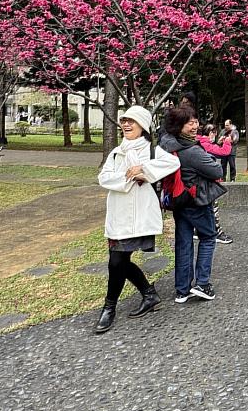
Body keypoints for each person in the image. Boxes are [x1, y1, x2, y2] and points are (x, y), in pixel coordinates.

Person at [95, 106, 181, 333]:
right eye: (124, 120)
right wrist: (128, 178)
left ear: (142, 125)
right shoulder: (117, 152)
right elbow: (103, 177)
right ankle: (149, 294)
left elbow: (173, 164)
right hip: (119, 214)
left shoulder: (152, 150)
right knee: (119, 260)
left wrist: (143, 170)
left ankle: (109, 307)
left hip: (141, 215)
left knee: (117, 261)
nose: (126, 124)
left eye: (131, 121)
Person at [159, 106, 226, 303]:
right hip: (195, 201)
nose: (195, 126)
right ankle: (203, 283)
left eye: (196, 121)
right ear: (178, 126)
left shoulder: (167, 145)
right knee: (208, 236)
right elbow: (216, 171)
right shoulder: (190, 150)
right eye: (190, 123)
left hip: (178, 200)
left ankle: (182, 289)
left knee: (184, 243)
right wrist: (210, 159)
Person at [196, 124, 234, 244]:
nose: (215, 135)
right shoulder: (205, 144)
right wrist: (227, 142)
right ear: (208, 133)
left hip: (198, 182)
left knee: (201, 208)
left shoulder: (199, 142)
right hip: (208, 183)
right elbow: (224, 152)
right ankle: (217, 232)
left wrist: (218, 143)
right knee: (213, 208)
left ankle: (197, 230)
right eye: (213, 133)